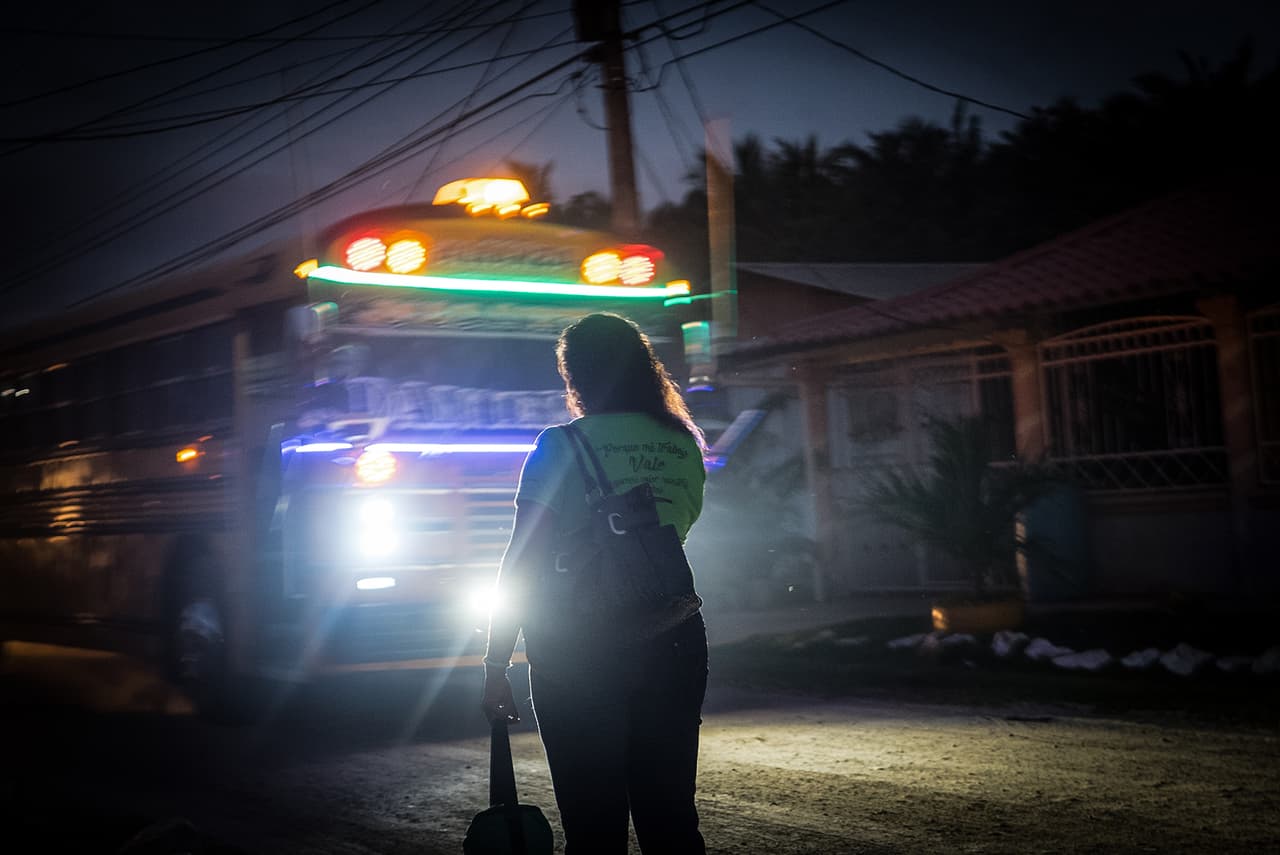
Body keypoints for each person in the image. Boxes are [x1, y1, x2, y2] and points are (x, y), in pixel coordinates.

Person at [481, 312, 709, 854]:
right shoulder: (682, 443)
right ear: (642, 368)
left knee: (594, 824)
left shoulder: (560, 446)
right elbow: (675, 533)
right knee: (672, 818)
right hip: (675, 637)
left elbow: (522, 561)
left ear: (574, 378)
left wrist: (495, 662)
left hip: (577, 647)